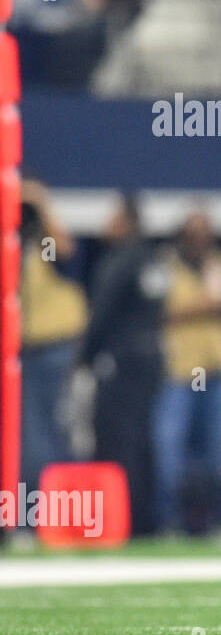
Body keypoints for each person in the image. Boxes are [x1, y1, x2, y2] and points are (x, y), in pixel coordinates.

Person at [79, 194, 168, 536]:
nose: (107, 226)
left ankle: (122, 518)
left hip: (121, 360)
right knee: (144, 438)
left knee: (118, 438)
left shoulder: (119, 262)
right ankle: (147, 519)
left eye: (113, 218)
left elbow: (102, 315)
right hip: (152, 357)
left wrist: (85, 356)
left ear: (128, 221)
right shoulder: (154, 260)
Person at [153, 210, 221, 534]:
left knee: (218, 452)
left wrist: (210, 303)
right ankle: (169, 520)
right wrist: (204, 303)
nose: (200, 238)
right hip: (179, 368)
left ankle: (217, 520)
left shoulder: (220, 262)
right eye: (194, 232)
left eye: (205, 231)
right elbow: (157, 310)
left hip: (215, 367)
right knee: (169, 449)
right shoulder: (165, 264)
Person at [18, 179, 87, 489]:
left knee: (49, 428)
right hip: (23, 349)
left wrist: (41, 204)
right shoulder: (15, 244)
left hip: (54, 347)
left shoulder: (45, 247)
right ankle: (38, 508)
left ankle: (50, 507)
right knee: (30, 430)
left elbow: (66, 252)